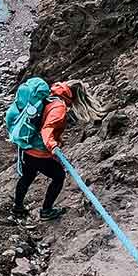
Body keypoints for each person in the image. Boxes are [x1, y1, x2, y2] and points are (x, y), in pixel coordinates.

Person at [13, 79, 105, 220]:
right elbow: (47, 129)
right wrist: (53, 146)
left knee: (27, 177)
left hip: (27, 146)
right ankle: (46, 211)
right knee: (59, 176)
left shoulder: (50, 94)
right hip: (39, 151)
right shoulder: (59, 108)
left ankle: (18, 208)